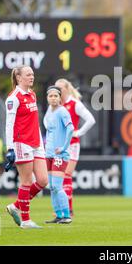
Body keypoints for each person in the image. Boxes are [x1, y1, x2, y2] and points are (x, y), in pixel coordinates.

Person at [4, 66, 48, 229]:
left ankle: (15, 206)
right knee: (27, 181)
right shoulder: (13, 98)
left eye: (33, 74)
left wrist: (40, 142)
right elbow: (9, 124)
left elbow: (34, 121)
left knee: (43, 180)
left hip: (36, 143)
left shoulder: (32, 94)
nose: (32, 77)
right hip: (21, 143)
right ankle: (26, 221)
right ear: (18, 78)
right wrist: (10, 148)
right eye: (28, 74)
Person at [55, 79, 96, 217]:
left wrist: (79, 132)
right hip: (59, 146)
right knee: (59, 178)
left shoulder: (75, 104)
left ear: (66, 88)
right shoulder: (56, 105)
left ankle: (68, 210)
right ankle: (62, 210)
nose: (57, 90)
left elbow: (91, 119)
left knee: (66, 175)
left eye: (60, 88)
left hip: (72, 144)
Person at [43, 86, 74, 224]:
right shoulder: (49, 114)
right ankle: (59, 215)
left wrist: (64, 147)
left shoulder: (62, 111)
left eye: (56, 96)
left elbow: (71, 128)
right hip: (49, 154)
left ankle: (67, 215)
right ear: (47, 98)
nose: (53, 98)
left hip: (60, 156)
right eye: (51, 96)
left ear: (60, 98)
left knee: (57, 185)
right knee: (51, 187)